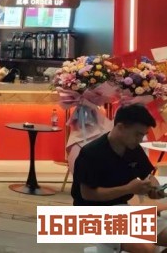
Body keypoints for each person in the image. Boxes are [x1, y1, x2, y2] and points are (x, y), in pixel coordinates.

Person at [72, 104, 167, 252]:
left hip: (121, 210)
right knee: (147, 248)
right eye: (137, 134)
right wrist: (128, 189)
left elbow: (148, 175)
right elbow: (88, 194)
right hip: (91, 215)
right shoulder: (91, 153)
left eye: (143, 135)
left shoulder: (133, 148)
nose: (140, 139)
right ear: (120, 127)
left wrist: (154, 188)